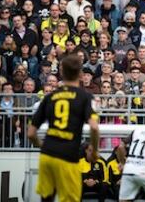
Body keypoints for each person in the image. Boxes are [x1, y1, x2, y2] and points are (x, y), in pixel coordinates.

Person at [27, 54, 100, 202]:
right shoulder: (84, 97)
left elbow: (31, 133)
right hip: (68, 156)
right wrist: (94, 150)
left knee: (46, 199)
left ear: (62, 73)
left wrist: (42, 146)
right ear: (80, 74)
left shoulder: (49, 97)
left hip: (47, 155)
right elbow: (94, 127)